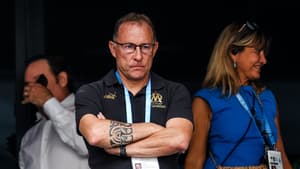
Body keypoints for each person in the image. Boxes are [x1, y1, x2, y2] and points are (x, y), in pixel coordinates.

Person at [75, 12, 194, 169]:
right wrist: (153, 129)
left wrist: (121, 148)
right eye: (129, 47)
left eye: (145, 47)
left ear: (155, 48)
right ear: (113, 48)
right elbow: (96, 134)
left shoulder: (175, 91)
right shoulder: (91, 92)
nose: (138, 56)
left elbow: (179, 140)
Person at [184, 20, 292, 169]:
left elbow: (281, 156)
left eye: (264, 53)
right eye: (257, 52)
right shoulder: (206, 100)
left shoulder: (267, 98)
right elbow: (194, 160)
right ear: (233, 53)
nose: (264, 60)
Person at [19, 55, 90, 169]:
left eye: (39, 81)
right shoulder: (29, 137)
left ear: (62, 79)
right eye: (27, 84)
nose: (31, 89)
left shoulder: (91, 113)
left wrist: (47, 101)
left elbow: (87, 144)